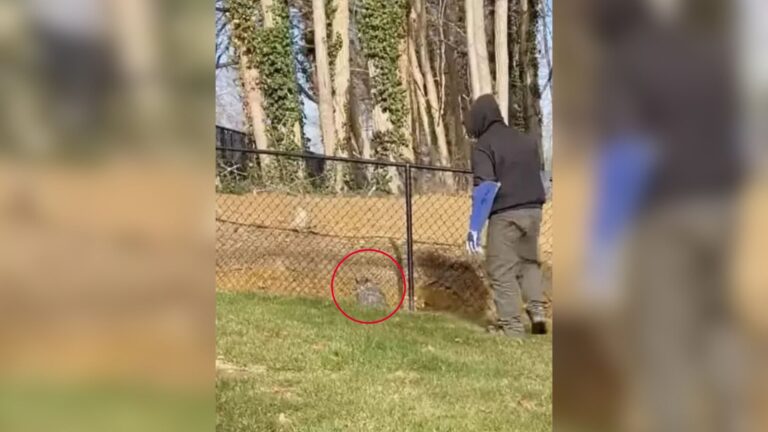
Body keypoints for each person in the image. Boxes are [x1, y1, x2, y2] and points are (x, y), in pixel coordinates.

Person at [464, 94, 548, 337]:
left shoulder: (485, 145)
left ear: (480, 118)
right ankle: (537, 313)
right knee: (528, 263)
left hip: (506, 213)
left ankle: (512, 328)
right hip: (534, 210)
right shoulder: (525, 140)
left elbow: (486, 188)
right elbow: (539, 176)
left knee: (501, 269)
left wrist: (474, 228)